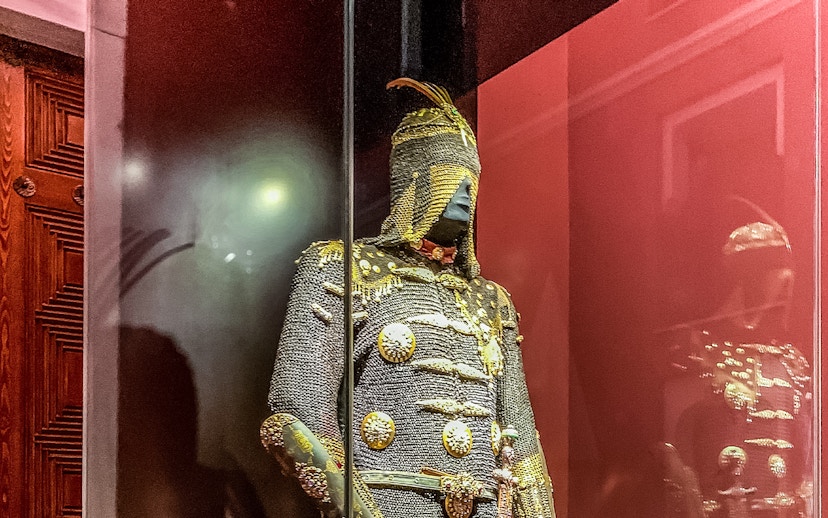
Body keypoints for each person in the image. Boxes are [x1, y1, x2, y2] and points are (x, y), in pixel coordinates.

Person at [261, 78, 556, 518]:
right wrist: (353, 507)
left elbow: (523, 442)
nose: (462, 200)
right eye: (448, 183)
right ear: (414, 184)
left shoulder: (492, 301)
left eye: (469, 186)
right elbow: (298, 411)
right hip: (388, 502)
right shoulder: (344, 269)